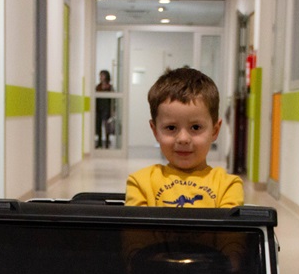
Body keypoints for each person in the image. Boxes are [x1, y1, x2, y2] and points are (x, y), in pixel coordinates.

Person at [126, 67, 243, 207]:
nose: (183, 139)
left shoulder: (228, 186)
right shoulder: (141, 183)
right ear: (155, 131)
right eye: (171, 128)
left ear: (215, 131)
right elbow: (136, 222)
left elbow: (229, 221)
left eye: (195, 127)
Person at [94, 69, 114, 148]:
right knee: (98, 126)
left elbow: (113, 100)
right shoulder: (98, 87)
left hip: (107, 109)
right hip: (99, 109)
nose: (100, 77)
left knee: (106, 127)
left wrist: (113, 111)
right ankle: (99, 142)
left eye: (102, 75)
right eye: (100, 75)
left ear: (106, 76)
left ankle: (107, 143)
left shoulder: (110, 87)